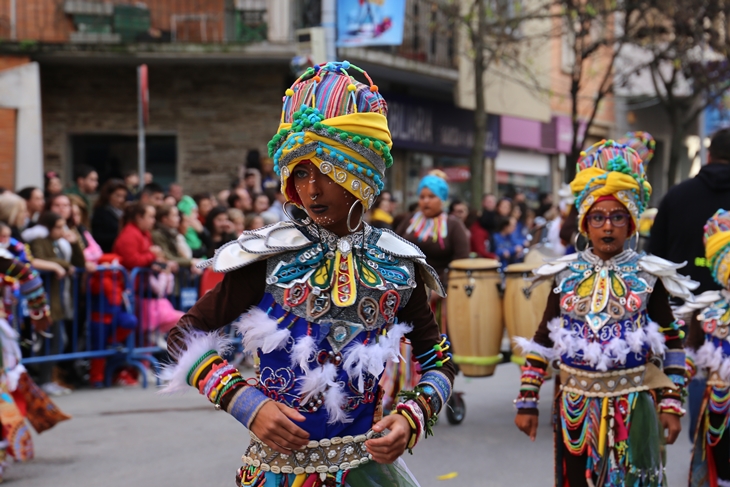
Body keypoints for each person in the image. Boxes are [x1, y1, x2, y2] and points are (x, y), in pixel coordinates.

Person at [161, 62, 455, 487]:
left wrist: (411, 417)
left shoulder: (399, 265)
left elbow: (439, 362)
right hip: (276, 474)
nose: (312, 189)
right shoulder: (270, 257)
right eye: (301, 172)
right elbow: (183, 335)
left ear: (360, 175)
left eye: (327, 170)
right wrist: (245, 402)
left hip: (366, 473)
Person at [514, 140, 696, 487]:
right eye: (597, 218)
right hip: (574, 409)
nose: (607, 227)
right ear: (585, 225)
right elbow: (542, 340)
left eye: (617, 217)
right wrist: (527, 401)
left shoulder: (648, 276)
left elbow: (672, 340)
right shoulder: (564, 274)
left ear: (631, 225)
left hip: (634, 407)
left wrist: (672, 403)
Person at [680, 209, 730, 486]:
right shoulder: (708, 310)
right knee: (721, 469)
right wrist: (672, 391)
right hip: (719, 408)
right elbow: (692, 353)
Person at [113, 203, 183, 336]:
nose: (153, 220)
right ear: (139, 217)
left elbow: (147, 257)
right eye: (150, 217)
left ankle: (145, 355)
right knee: (139, 331)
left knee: (146, 332)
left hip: (142, 290)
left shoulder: (144, 233)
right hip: (131, 289)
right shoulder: (129, 234)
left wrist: (158, 262)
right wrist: (153, 256)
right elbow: (132, 260)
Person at [395, 171, 470, 283]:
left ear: (442, 199)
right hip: (405, 282)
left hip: (440, 288)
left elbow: (461, 259)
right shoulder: (410, 220)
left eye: (431, 196)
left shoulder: (454, 225)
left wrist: (440, 285)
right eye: (422, 197)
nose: (426, 201)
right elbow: (393, 246)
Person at [151, 204, 200, 275]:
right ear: (164, 219)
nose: (178, 219)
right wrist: (190, 262)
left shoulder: (172, 233)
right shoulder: (158, 234)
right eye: (174, 216)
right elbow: (168, 256)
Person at [91, 179, 128, 253]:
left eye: (123, 196)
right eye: (117, 196)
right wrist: (118, 236)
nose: (120, 200)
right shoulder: (100, 212)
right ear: (108, 195)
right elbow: (97, 236)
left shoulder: (125, 212)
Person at [67, 194, 102, 271]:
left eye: (78, 214)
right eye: (72, 214)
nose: (75, 218)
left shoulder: (82, 230)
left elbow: (98, 251)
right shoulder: (64, 231)